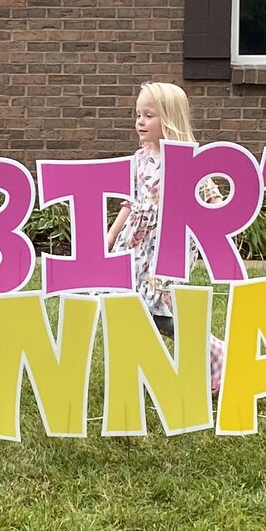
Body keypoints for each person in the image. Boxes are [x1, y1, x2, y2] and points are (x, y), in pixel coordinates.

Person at [106, 81, 193, 340]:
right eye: (138, 115)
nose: (140, 122)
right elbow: (130, 200)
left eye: (149, 115)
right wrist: (111, 234)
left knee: (162, 313)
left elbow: (210, 198)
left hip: (164, 248)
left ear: (169, 118)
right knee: (126, 301)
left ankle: (211, 355)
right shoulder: (139, 158)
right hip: (134, 243)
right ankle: (138, 367)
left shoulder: (183, 160)